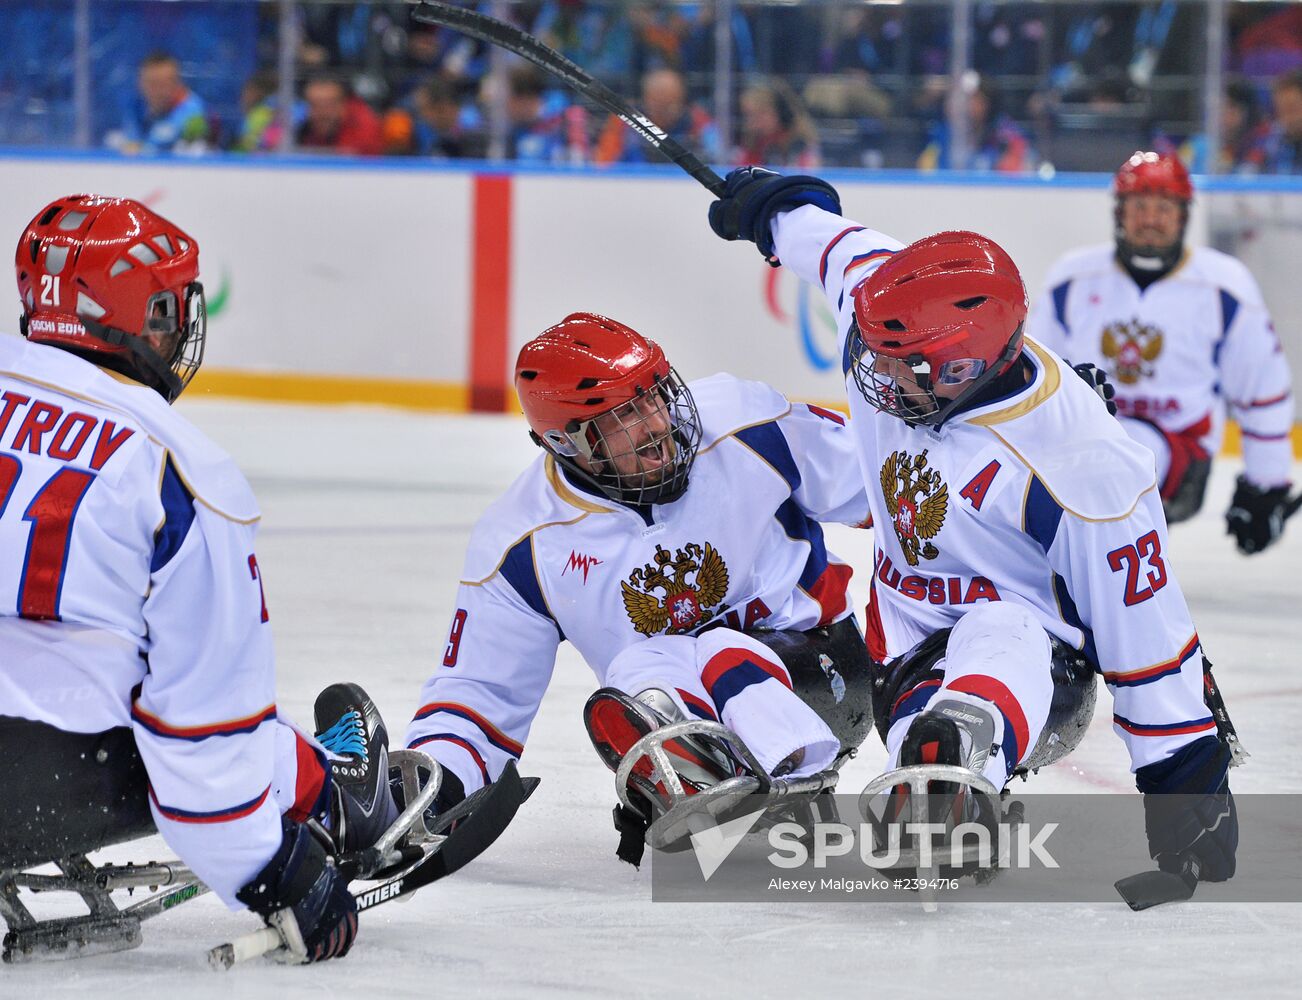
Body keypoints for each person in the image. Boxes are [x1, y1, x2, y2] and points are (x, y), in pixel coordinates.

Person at [705, 167, 1238, 886]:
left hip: (1045, 670)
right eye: (875, 355)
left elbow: (1148, 643)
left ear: (964, 364)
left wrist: (1186, 793)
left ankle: (963, 757)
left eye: (901, 366)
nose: (877, 377)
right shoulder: (891, 318)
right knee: (916, 707)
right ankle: (939, 762)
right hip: (899, 651)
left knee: (1001, 630)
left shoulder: (1082, 466)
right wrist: (773, 208)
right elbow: (833, 246)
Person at [0, 195, 400, 962]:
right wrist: (272, 871)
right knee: (222, 720)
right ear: (131, 321)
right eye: (165, 313)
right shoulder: (180, 469)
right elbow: (204, 738)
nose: (175, 332)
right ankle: (337, 794)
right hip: (36, 793)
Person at [404, 312, 876, 858]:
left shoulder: (745, 424)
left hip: (824, 675)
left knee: (716, 649)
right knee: (634, 675)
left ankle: (790, 768)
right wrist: (430, 787)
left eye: (655, 396)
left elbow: (889, 496)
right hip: (687, 700)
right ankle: (704, 777)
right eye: (625, 417)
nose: (657, 424)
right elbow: (479, 699)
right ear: (569, 442)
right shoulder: (523, 544)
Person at [1027, 151, 1295, 552]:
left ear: (1183, 216)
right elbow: (1035, 379)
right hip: (1086, 441)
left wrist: (1266, 486)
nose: (1150, 219)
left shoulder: (1223, 286)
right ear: (1120, 212)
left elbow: (1261, 388)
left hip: (1181, 448)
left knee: (1119, 460)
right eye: (1139, 207)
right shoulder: (1073, 279)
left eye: (1163, 208)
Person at [594, 68, 719, 166]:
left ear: (681, 100)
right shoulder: (625, 119)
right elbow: (604, 162)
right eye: (657, 104)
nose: (663, 111)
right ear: (646, 99)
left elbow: (719, 159)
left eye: (669, 104)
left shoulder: (700, 122)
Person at [106, 52, 209, 156]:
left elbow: (163, 142)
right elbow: (129, 140)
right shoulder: (135, 105)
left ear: (177, 84)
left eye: (163, 84)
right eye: (151, 83)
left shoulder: (192, 109)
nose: (157, 91)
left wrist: (139, 147)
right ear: (140, 83)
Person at [296, 75, 384, 157]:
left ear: (343, 104)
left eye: (328, 105)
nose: (323, 114)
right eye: (315, 106)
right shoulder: (302, 129)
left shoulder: (364, 128)